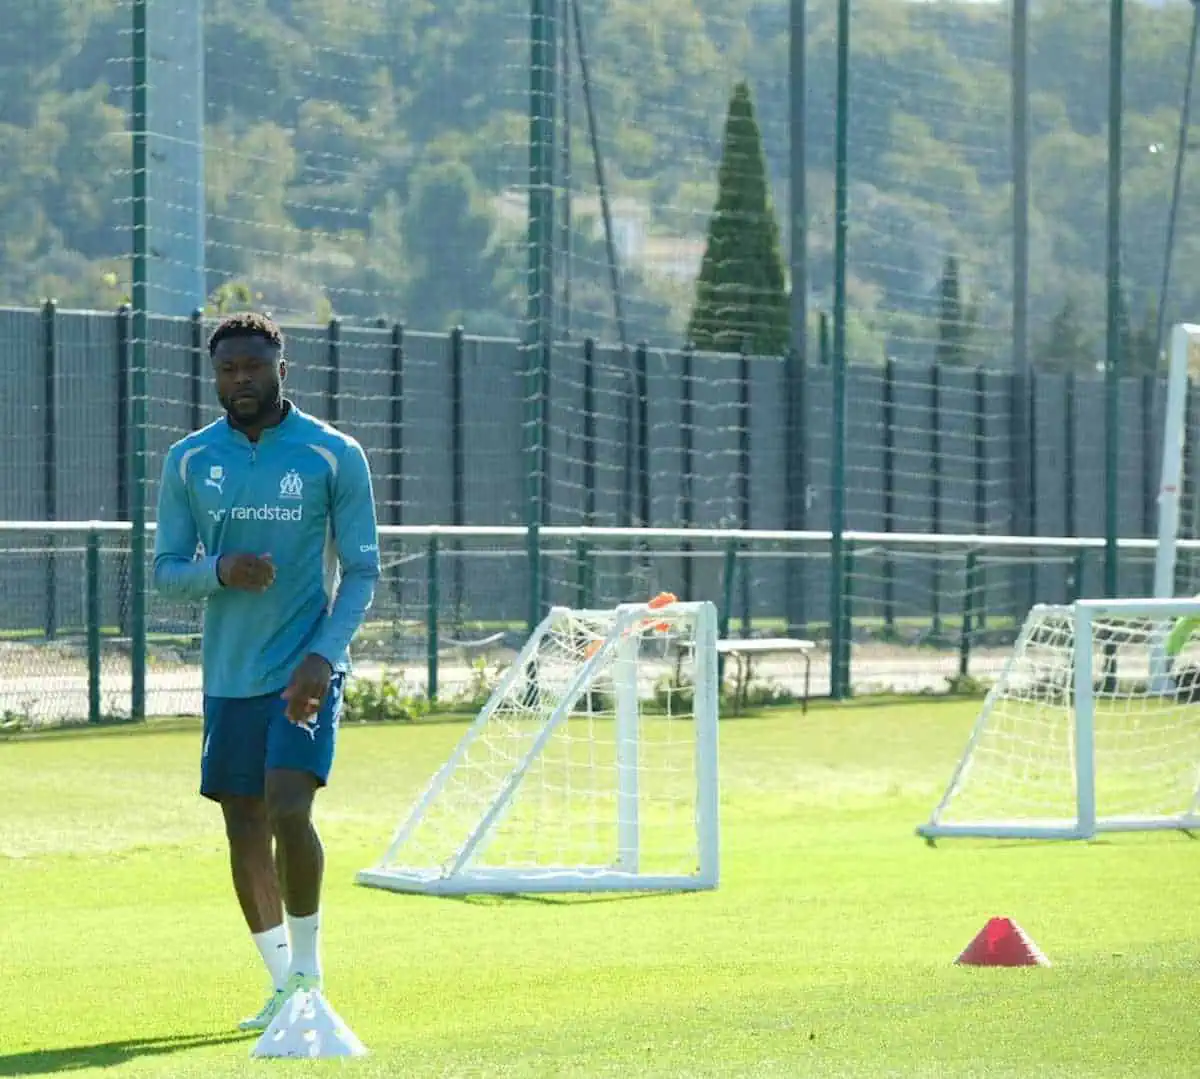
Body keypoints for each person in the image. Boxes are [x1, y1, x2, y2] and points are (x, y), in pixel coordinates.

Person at [152, 312, 380, 1032]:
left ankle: (310, 976)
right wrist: (222, 570)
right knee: (243, 822)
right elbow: (166, 571)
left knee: (288, 807)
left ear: (283, 368)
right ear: (214, 376)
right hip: (229, 674)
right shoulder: (189, 459)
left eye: (254, 366)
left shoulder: (333, 454)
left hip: (305, 667)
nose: (240, 379)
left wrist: (323, 655)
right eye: (227, 369)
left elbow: (364, 570)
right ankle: (283, 985)